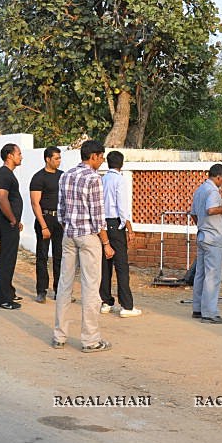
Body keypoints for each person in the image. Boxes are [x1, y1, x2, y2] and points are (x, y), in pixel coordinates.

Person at [53, 140, 115, 352]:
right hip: (88, 236)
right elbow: (98, 217)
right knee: (90, 288)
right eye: (101, 156)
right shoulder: (93, 178)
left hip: (69, 235)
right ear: (94, 156)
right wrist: (106, 243)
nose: (102, 160)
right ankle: (90, 340)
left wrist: (68, 227)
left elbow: (60, 211)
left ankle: (59, 336)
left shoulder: (66, 175)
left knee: (64, 285)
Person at [190, 164, 222, 324]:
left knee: (201, 274)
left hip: (202, 235)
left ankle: (198, 308)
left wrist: (202, 226)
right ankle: (209, 313)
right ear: (219, 177)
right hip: (214, 238)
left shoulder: (200, 190)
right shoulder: (213, 191)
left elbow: (194, 214)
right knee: (213, 276)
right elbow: (211, 210)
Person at [101, 150, 140, 317]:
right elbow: (122, 207)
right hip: (116, 224)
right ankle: (127, 306)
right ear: (121, 164)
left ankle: (106, 301)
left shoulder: (101, 179)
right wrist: (129, 228)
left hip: (102, 225)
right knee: (121, 265)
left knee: (105, 264)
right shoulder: (119, 180)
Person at [30, 146, 63, 303]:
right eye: (56, 158)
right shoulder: (38, 177)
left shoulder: (62, 176)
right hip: (45, 218)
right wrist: (43, 225)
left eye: (59, 158)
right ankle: (41, 290)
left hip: (60, 221)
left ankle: (59, 290)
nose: (58, 161)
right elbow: (35, 203)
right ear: (47, 159)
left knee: (60, 256)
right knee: (42, 256)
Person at [0, 143, 24, 310]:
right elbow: (2, 198)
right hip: (7, 222)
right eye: (18, 153)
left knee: (11, 258)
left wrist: (16, 220)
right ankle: (3, 298)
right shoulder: (3, 174)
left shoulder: (8, 174)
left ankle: (9, 291)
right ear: (10, 156)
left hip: (11, 221)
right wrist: (12, 219)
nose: (21, 156)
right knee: (6, 258)